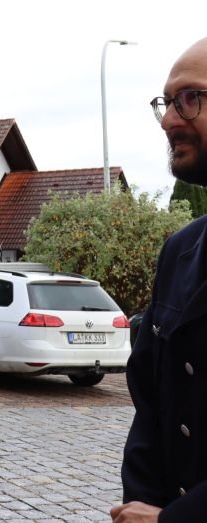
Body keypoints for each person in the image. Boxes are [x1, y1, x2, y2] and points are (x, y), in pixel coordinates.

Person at [112, 37, 207, 523]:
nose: (170, 120)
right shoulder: (179, 251)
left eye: (190, 98)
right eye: (166, 103)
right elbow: (149, 403)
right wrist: (141, 502)